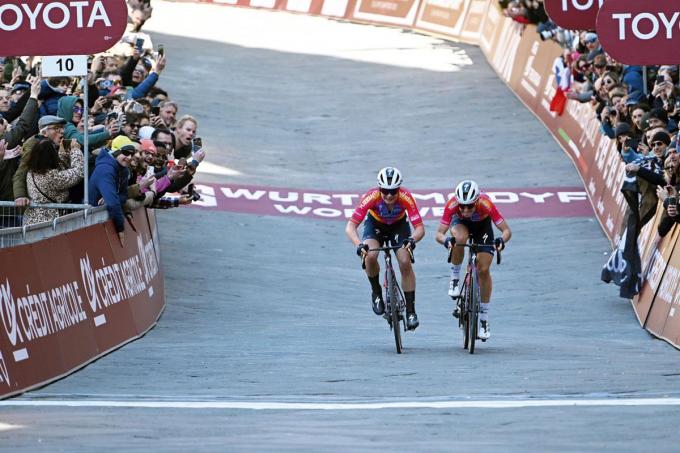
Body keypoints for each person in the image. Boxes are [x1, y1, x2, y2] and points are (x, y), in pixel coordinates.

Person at [345, 167, 425, 330]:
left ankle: (411, 311)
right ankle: (376, 292)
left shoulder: (406, 197)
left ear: (399, 189)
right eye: (385, 191)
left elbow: (420, 228)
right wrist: (358, 245)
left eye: (393, 191)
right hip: (375, 225)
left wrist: (412, 239)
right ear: (379, 188)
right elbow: (350, 227)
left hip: (398, 226)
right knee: (370, 256)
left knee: (404, 261)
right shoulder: (371, 197)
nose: (389, 195)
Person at [434, 180, 512, 340]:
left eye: (469, 206)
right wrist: (447, 241)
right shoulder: (453, 205)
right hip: (460, 224)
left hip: (482, 227)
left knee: (483, 270)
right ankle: (455, 278)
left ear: (477, 201)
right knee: (460, 239)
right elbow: (438, 234)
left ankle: (484, 318)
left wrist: (501, 240)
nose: (465, 209)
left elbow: (506, 230)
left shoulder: (486, 204)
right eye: (462, 206)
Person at [23, 138, 84, 225]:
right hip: (48, 223)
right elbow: (77, 173)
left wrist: (62, 154)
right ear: (51, 156)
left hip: (32, 219)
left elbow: (60, 173)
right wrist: (75, 150)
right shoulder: (50, 176)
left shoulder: (31, 172)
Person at [88, 136, 136, 246]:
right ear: (115, 151)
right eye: (125, 153)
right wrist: (121, 229)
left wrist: (113, 196)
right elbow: (113, 204)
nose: (129, 157)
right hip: (90, 221)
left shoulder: (123, 169)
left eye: (132, 154)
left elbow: (123, 196)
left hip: (101, 221)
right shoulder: (105, 169)